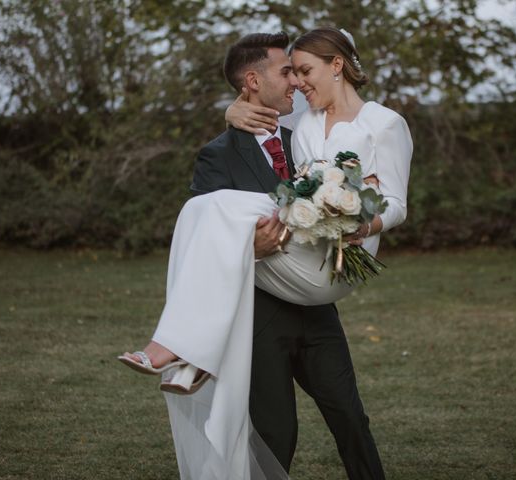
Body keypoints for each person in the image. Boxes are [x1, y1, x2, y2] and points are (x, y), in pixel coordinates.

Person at [119, 28, 412, 479]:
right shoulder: (218, 154)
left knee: (350, 417)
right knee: (278, 431)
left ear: (335, 65)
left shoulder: (303, 127)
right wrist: (247, 247)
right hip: (262, 311)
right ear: (252, 82)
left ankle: (182, 348)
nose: (295, 81)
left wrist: (360, 220)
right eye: (287, 72)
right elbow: (212, 238)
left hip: (314, 297)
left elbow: (354, 168)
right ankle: (186, 346)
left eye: (300, 71)